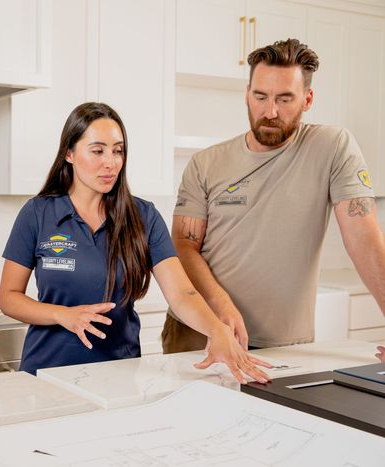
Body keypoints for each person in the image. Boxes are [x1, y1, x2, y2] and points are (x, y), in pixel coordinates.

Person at [0, 102, 272, 383]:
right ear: (69, 153)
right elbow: (9, 297)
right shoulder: (38, 213)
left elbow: (181, 294)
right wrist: (63, 315)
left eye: (118, 151)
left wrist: (217, 331)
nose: (111, 162)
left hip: (118, 376)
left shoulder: (144, 217)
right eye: (97, 151)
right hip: (45, 374)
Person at [164, 39, 385, 360]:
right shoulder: (206, 163)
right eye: (260, 96)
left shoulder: (333, 147)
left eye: (285, 99)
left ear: (307, 99)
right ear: (247, 94)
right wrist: (221, 307)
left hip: (285, 346)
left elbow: (364, 238)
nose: (270, 111)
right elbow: (183, 246)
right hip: (201, 332)